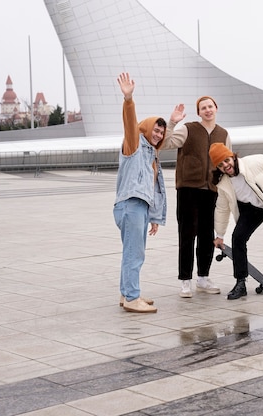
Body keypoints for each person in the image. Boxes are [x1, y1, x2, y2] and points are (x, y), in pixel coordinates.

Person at [161, 97, 231, 298]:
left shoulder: (223, 134)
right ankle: (185, 281)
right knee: (187, 235)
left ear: (216, 108)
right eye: (203, 108)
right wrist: (173, 122)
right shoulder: (188, 129)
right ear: (198, 112)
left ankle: (203, 278)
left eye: (210, 106)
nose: (207, 110)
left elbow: (227, 163)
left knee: (206, 236)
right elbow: (166, 143)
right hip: (188, 189)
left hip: (211, 189)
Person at [209, 143, 263, 300]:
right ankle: (240, 282)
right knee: (238, 238)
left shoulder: (256, 162)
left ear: (233, 157)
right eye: (221, 165)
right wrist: (220, 235)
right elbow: (221, 209)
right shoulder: (224, 184)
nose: (226, 166)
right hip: (253, 208)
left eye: (227, 160)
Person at [113, 72, 168, 313]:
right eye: (155, 130)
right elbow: (129, 123)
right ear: (145, 128)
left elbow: (153, 189)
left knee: (133, 253)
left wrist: (153, 218)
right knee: (135, 254)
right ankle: (133, 298)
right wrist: (128, 100)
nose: (158, 135)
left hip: (140, 208)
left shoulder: (152, 156)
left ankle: (127, 294)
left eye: (161, 133)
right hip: (130, 206)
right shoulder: (134, 144)